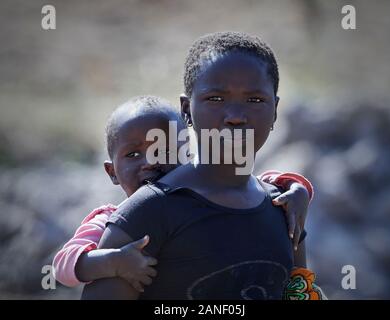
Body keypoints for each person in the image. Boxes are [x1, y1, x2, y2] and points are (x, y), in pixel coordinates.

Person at [81, 31, 320, 300]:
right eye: (216, 99)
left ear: (275, 110)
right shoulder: (149, 211)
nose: (236, 117)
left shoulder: (285, 208)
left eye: (255, 100)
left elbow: (299, 293)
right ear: (186, 110)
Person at [52, 95, 314, 294]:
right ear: (112, 172)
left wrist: (297, 188)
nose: (149, 162)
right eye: (133, 154)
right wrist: (113, 261)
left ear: (187, 157)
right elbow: (62, 266)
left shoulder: (204, 201)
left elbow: (262, 183)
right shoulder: (110, 220)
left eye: (164, 151)